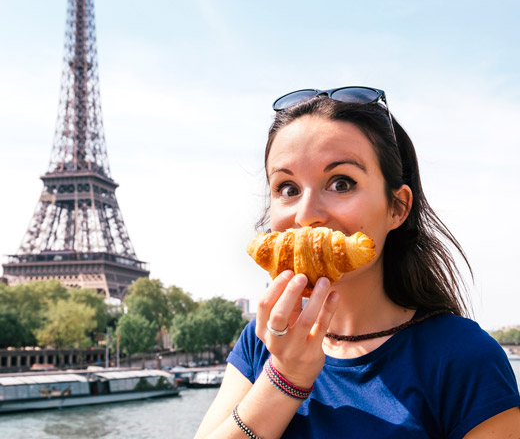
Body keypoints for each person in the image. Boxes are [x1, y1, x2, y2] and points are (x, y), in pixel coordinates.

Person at [194, 86, 520, 438]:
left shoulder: (463, 358)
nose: (306, 216)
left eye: (341, 183)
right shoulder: (264, 341)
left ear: (397, 208)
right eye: (287, 189)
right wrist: (285, 378)